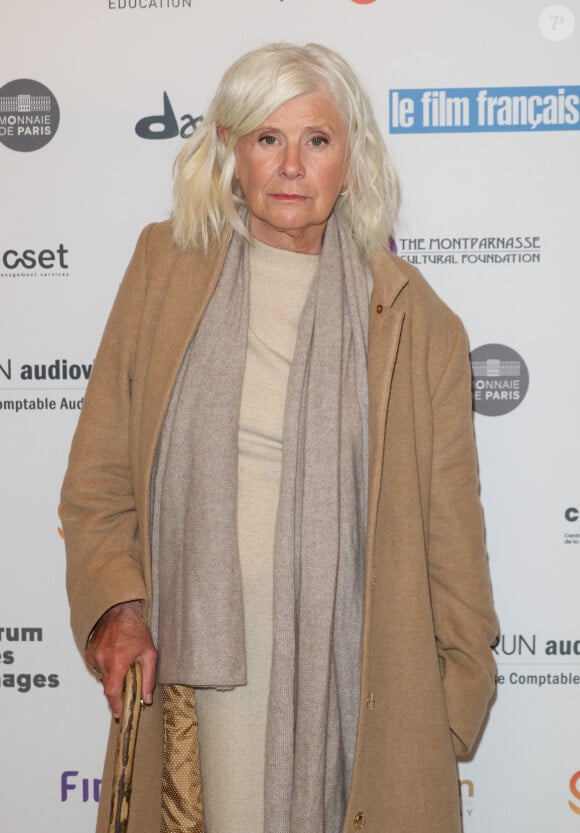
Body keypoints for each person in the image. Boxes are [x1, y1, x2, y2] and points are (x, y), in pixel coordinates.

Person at [61, 42, 499, 833]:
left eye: (317, 141)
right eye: (269, 138)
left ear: (351, 158)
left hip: (360, 688)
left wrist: (452, 707)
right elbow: (96, 480)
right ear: (231, 151)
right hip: (196, 677)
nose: (292, 165)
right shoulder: (164, 266)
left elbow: (453, 537)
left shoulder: (416, 321)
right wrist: (117, 605)